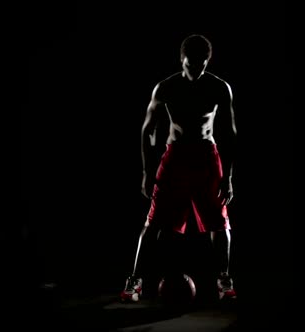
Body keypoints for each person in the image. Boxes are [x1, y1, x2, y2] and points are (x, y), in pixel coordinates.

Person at [120, 34, 237, 302]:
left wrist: (228, 176)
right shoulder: (166, 87)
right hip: (176, 158)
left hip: (207, 158)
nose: (195, 71)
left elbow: (230, 133)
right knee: (154, 222)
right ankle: (134, 281)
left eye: (201, 65)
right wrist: (147, 172)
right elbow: (147, 130)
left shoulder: (219, 87)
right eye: (190, 65)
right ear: (181, 60)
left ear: (208, 62)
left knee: (219, 223)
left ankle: (224, 279)